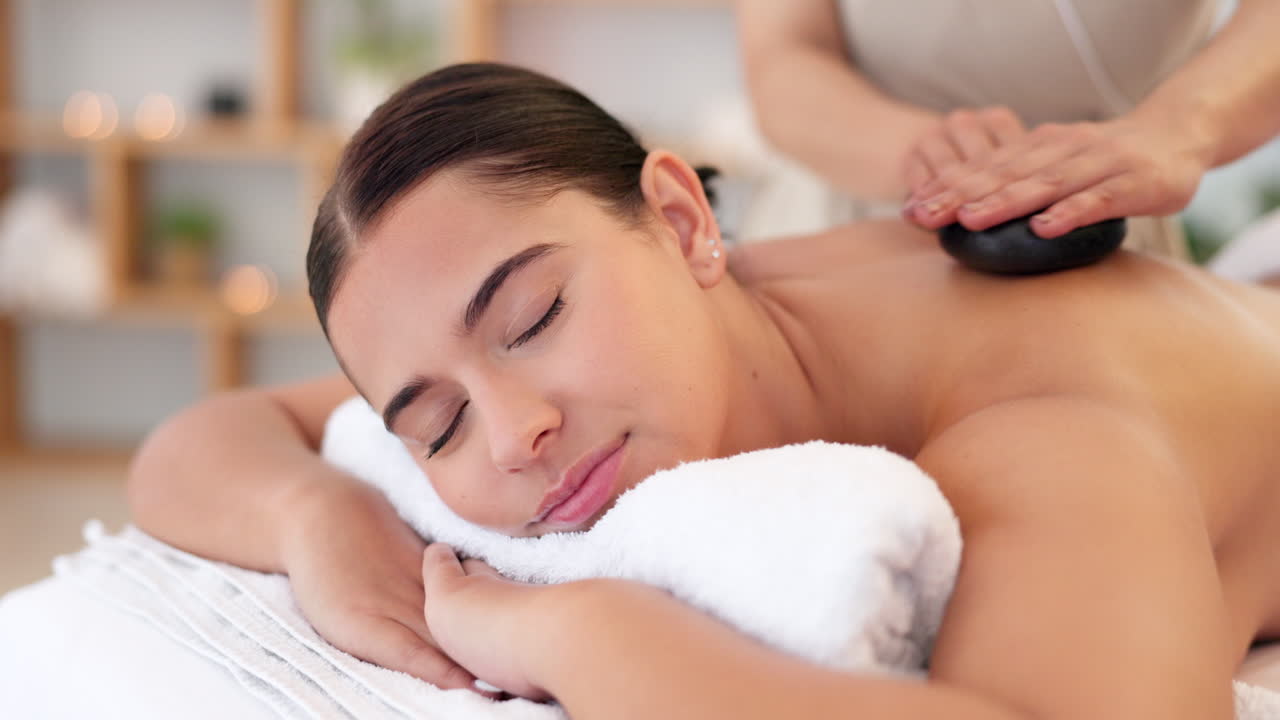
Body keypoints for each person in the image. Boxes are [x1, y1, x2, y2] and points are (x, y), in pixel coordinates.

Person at [128, 63, 1280, 718]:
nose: (515, 433)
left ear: (680, 219)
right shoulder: (708, 312)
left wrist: (571, 633)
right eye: (435, 424)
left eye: (533, 320)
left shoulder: (1043, 425)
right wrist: (314, 517)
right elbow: (198, 441)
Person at [737, 0, 1280, 258]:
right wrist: (929, 158)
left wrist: (1181, 126)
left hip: (1106, 224)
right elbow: (784, 56)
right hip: (851, 224)